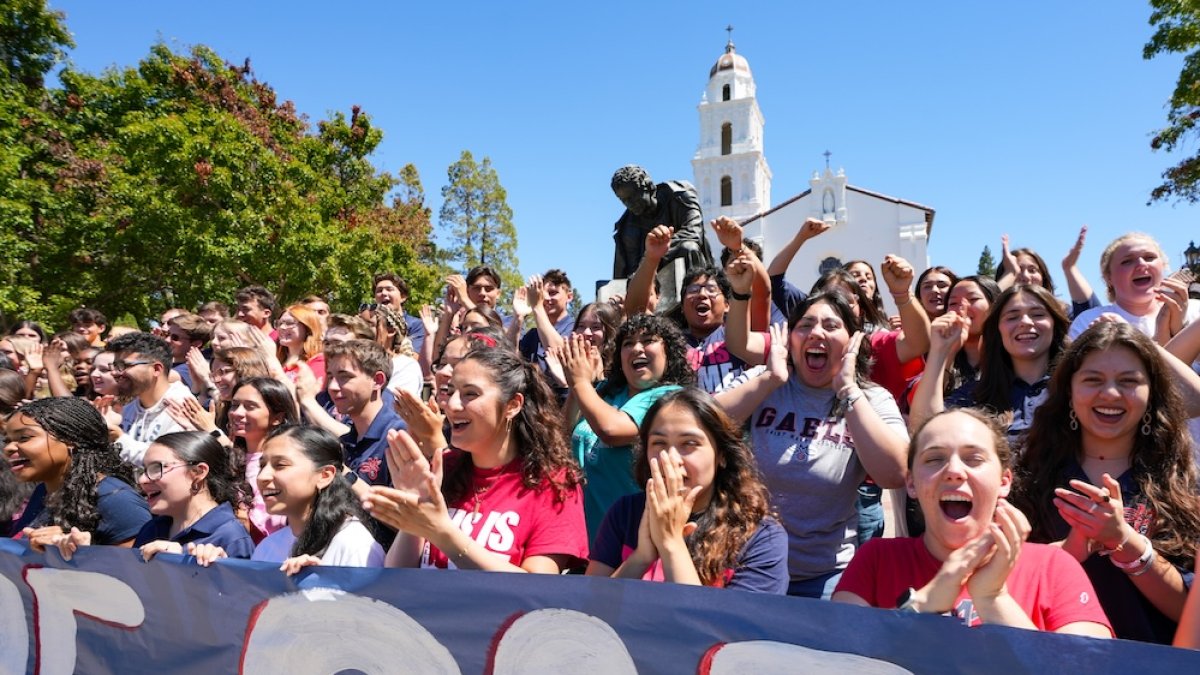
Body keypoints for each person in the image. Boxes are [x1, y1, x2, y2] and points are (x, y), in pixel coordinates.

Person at [833, 409, 1112, 637]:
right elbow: (836, 658)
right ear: (911, 483)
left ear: (1004, 482)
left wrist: (993, 598)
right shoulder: (877, 559)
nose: (954, 471)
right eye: (934, 459)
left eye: (973, 459)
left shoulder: (1053, 566)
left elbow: (1087, 666)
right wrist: (924, 603)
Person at [1012, 321, 1200, 643]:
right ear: (1069, 391)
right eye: (1093, 380)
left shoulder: (1181, 486)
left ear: (1151, 393)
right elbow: (1000, 588)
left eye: (1129, 381)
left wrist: (1126, 543)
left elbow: (1190, 614)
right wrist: (1068, 552)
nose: (1111, 394)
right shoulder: (1027, 478)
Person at [716, 292, 909, 598]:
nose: (817, 332)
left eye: (831, 325)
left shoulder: (871, 399)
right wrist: (768, 380)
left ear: (852, 342)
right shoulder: (764, 380)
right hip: (749, 566)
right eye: (805, 325)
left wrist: (848, 391)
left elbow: (896, 473)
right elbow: (703, 426)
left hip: (826, 575)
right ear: (790, 338)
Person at [364, 346, 588, 573]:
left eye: (470, 394)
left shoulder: (554, 483)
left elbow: (539, 587)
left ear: (512, 405)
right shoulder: (443, 467)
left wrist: (442, 533)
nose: (452, 405)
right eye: (451, 391)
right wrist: (414, 513)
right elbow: (398, 572)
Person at [587, 388, 787, 593]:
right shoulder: (625, 513)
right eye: (659, 443)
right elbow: (588, 610)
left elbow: (725, 625)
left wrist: (670, 544)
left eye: (689, 444)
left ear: (722, 455)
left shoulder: (761, 536)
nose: (671, 459)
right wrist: (640, 558)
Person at [559, 313, 696, 540]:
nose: (637, 349)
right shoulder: (604, 392)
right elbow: (562, 436)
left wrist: (580, 382)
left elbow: (611, 431)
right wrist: (578, 386)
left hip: (634, 539)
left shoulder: (669, 398)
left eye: (648, 340)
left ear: (669, 353)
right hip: (587, 535)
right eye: (628, 343)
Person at [910, 285, 1070, 449]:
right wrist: (940, 350)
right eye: (1012, 317)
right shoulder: (976, 394)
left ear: (1055, 325)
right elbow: (924, 432)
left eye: (1037, 314)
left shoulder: (1075, 388)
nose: (1025, 322)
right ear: (997, 330)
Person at [7, 397, 150, 550]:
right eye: (8, 440)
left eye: (24, 438)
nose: (8, 448)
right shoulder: (43, 491)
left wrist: (77, 552)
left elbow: (138, 571)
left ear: (70, 439)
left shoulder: (117, 501)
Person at [247, 425, 384, 572]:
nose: (262, 477)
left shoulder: (354, 544)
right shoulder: (267, 547)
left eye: (280, 465)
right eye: (262, 466)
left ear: (324, 476)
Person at [124, 432, 254, 562]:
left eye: (156, 468)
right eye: (143, 470)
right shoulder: (151, 529)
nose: (142, 480)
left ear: (198, 472)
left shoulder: (230, 537)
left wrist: (184, 561)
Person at [1068, 232, 1199, 344]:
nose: (1141, 264)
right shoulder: (1090, 321)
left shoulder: (1195, 311)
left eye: (1149, 257)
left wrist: (1182, 329)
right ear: (1108, 277)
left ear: (1163, 266)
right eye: (1127, 261)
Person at [610, 164, 712, 284]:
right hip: (650, 277)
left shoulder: (679, 196)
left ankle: (697, 293)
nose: (630, 204)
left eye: (634, 197)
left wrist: (655, 253)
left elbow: (694, 232)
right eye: (624, 200)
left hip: (683, 263)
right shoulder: (627, 228)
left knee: (689, 247)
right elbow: (627, 273)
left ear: (648, 187)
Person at [106, 332, 196, 465]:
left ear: (156, 369)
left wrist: (119, 438)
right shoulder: (130, 407)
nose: (115, 373)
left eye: (124, 366)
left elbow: (167, 464)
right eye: (115, 366)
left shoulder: (183, 407)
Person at [996, 226, 1100, 319]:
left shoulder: (1061, 312)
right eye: (1017, 270)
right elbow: (985, 312)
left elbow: (1090, 316)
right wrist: (1010, 272)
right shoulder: (998, 316)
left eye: (1032, 270)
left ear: (1043, 278)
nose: (1026, 276)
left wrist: (1070, 268)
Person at [515, 269, 576, 373]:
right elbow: (510, 359)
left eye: (553, 293)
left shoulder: (576, 329)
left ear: (569, 296)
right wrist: (518, 318)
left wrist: (537, 307)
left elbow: (561, 357)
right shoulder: (533, 335)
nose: (546, 298)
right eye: (542, 294)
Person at [275, 304, 326, 386]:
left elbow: (306, 393)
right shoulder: (277, 360)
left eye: (289, 323)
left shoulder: (319, 360)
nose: (282, 327)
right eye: (279, 323)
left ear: (308, 328)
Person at [165, 313, 212, 391]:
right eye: (167, 334)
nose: (167, 340)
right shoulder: (167, 362)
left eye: (175, 337)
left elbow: (155, 377)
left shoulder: (193, 368)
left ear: (196, 344)